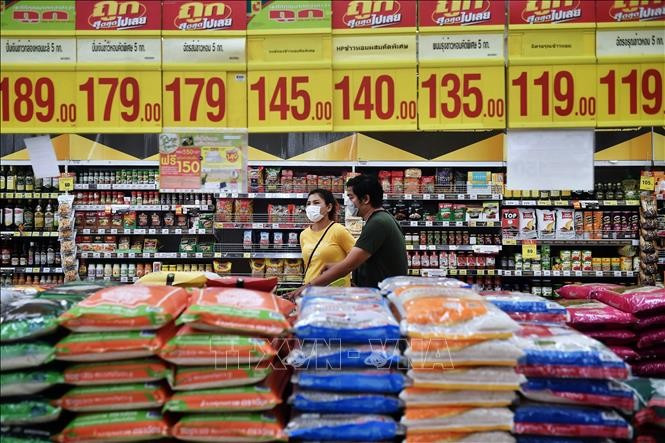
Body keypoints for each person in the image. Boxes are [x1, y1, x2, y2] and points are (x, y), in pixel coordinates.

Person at [291, 175, 407, 296]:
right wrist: (337, 266)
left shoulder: (378, 223)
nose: (348, 203)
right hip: (384, 294)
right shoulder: (382, 218)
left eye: (351, 197)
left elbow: (348, 265)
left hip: (385, 297)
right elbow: (363, 261)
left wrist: (307, 288)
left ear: (366, 199)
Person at [300, 188, 356, 286]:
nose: (311, 207)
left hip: (335, 292)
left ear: (329, 207)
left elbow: (357, 260)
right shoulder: (304, 234)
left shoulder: (339, 230)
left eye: (316, 203)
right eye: (308, 203)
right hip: (310, 290)